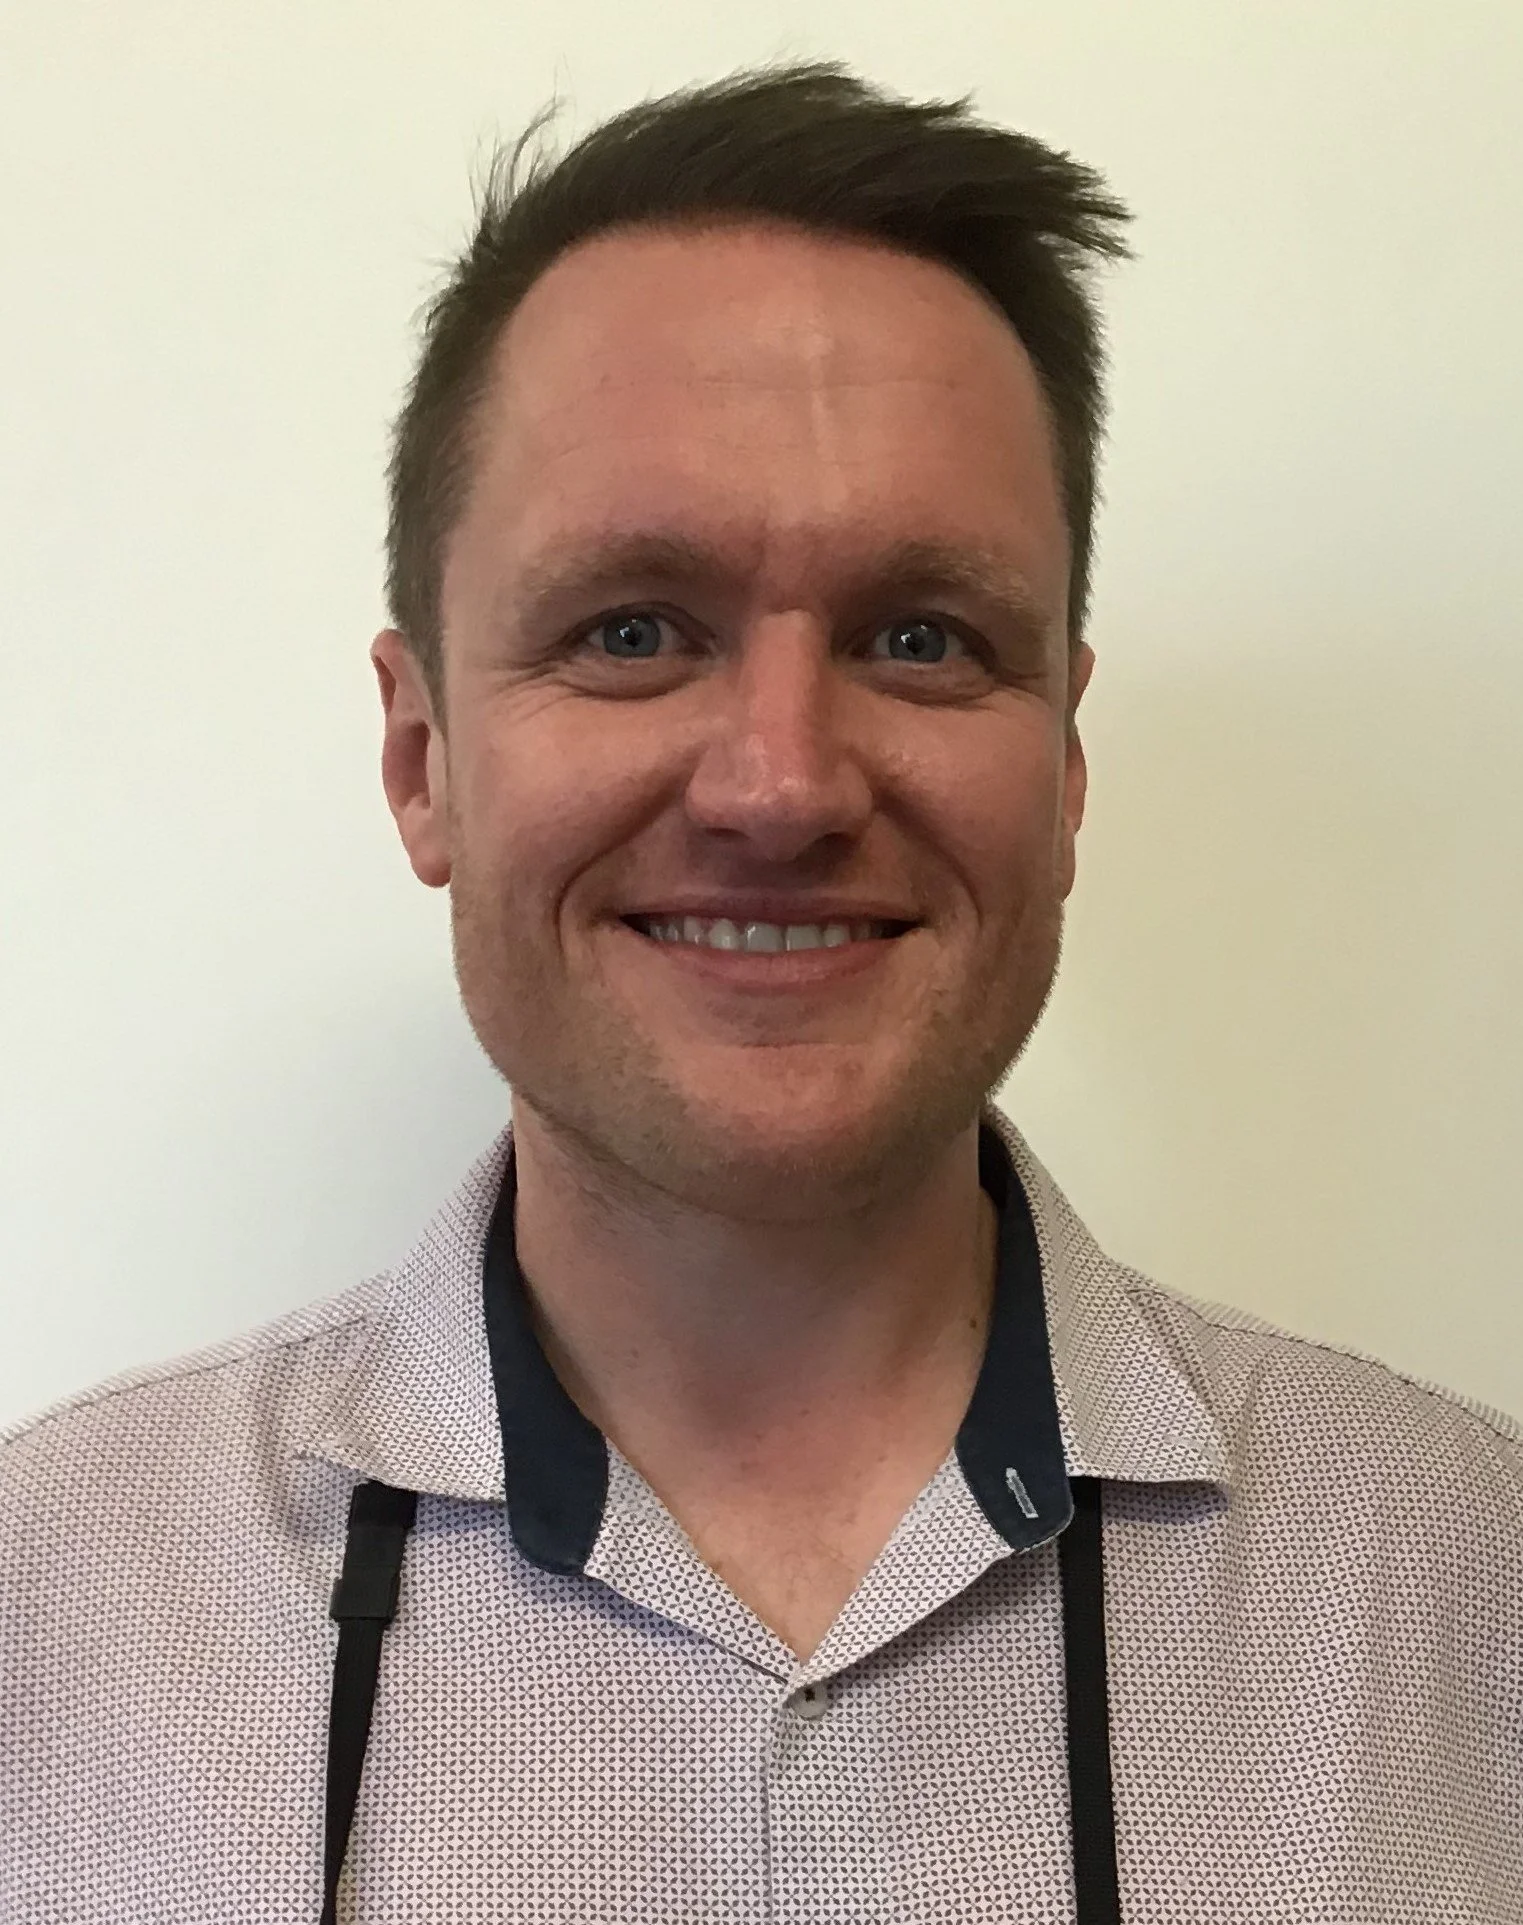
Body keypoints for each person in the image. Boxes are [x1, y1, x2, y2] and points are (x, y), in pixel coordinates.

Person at [3, 60, 1520, 1925]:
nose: (782, 785)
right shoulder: (43, 1612)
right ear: (422, 761)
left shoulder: (1475, 1594)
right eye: (631, 632)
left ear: (1061, 768)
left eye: (920, 638)